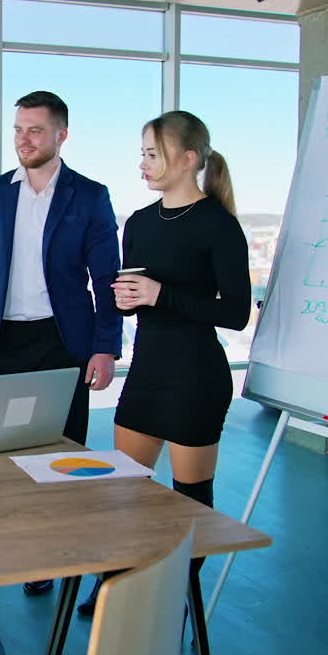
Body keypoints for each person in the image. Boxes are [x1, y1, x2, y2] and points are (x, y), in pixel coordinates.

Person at [0, 90, 122, 596]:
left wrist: (106, 347)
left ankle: (51, 558)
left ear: (61, 135)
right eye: (18, 130)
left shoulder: (89, 195)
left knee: (63, 456)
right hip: (7, 338)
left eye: (35, 130)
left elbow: (107, 277)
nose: (24, 140)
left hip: (66, 342)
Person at [86, 110, 249, 614]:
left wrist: (160, 294)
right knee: (125, 490)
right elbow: (135, 296)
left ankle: (175, 599)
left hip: (196, 377)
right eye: (142, 154)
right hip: (147, 372)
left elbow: (236, 313)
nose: (143, 164)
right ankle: (117, 585)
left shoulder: (219, 225)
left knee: (189, 498)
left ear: (188, 158)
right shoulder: (137, 223)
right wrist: (126, 300)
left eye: (152, 154)